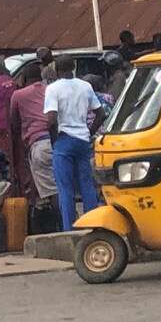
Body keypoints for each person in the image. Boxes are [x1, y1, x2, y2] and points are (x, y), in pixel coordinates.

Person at [44, 54, 106, 231]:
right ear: (73, 67)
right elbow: (101, 113)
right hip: (82, 139)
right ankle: (93, 225)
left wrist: (54, 139)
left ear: (56, 70)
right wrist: (89, 132)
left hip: (64, 139)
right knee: (87, 184)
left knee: (65, 188)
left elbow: (51, 119)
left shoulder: (53, 89)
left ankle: (69, 229)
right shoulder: (85, 86)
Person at [10, 61, 52, 207]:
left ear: (24, 79)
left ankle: (62, 222)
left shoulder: (18, 95)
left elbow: (13, 121)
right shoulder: (50, 90)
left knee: (52, 191)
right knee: (64, 184)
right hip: (58, 140)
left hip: (39, 143)